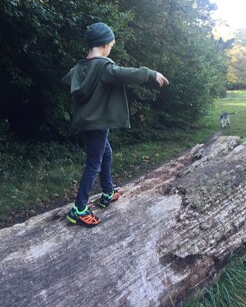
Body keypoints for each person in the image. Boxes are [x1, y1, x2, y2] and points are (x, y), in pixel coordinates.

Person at [62, 22, 169, 227]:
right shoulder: (104, 67)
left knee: (106, 154)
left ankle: (108, 192)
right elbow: (125, 73)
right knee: (94, 163)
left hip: (86, 122)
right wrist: (150, 74)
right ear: (103, 45)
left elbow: (68, 80)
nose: (111, 48)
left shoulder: (79, 67)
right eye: (110, 45)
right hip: (98, 124)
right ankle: (79, 208)